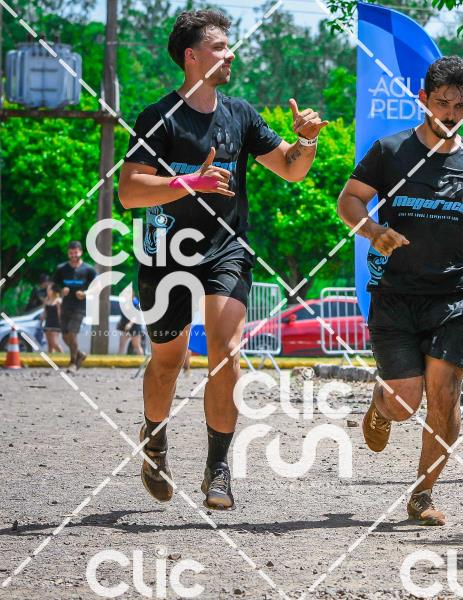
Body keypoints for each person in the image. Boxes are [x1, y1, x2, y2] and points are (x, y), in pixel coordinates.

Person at [118, 9, 327, 510]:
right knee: (168, 361)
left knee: (225, 350)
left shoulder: (241, 115)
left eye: (229, 46)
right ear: (192, 56)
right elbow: (128, 192)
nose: (230, 54)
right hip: (166, 252)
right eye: (219, 47)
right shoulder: (158, 117)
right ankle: (154, 440)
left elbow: (292, 170)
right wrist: (191, 181)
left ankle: (217, 467)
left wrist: (307, 140)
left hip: (225, 249)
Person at [336, 56, 463, 526]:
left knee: (445, 396)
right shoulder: (391, 151)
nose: (449, 113)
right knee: (405, 401)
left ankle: (422, 494)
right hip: (396, 295)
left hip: (454, 296)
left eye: (459, 106)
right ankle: (381, 405)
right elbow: (349, 200)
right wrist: (373, 231)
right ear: (424, 100)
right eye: (441, 103)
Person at [52, 241, 97, 370]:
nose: (73, 255)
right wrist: (61, 291)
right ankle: (80, 354)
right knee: (65, 336)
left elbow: (97, 286)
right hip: (65, 306)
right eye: (71, 253)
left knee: (72, 333)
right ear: (68, 253)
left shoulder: (88, 269)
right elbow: (54, 286)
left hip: (80, 307)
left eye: (76, 252)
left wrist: (85, 293)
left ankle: (72, 362)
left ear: (80, 252)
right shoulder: (61, 268)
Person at [42, 284, 63, 353]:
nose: (47, 291)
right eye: (47, 289)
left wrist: (62, 323)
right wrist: (42, 318)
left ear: (53, 290)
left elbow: (60, 313)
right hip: (48, 323)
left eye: (49, 289)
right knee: (50, 344)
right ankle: (51, 358)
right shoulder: (46, 300)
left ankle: (62, 355)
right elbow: (45, 312)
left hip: (55, 324)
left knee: (54, 343)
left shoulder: (58, 300)